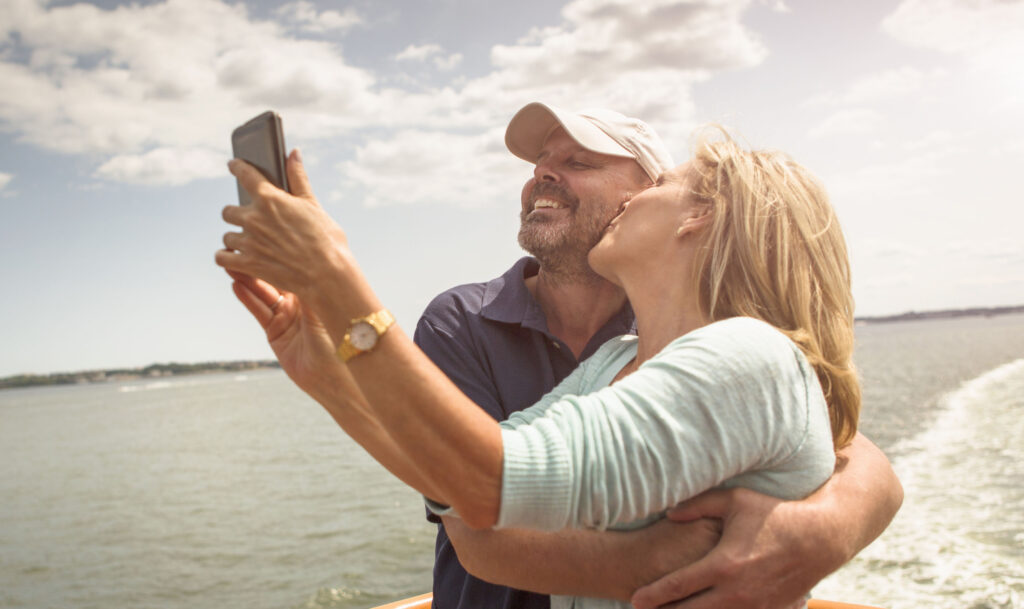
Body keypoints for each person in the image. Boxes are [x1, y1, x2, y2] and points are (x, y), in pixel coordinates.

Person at [215, 105, 903, 609]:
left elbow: (483, 481)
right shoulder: (618, 359)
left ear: (691, 212)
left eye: (578, 161)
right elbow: (467, 489)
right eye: (541, 163)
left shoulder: (744, 356)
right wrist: (329, 376)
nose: (543, 174)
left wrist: (822, 530)